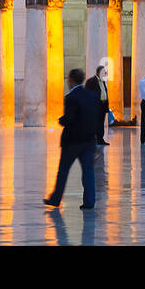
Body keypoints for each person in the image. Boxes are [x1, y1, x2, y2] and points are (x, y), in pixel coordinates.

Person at [44, 69, 100, 209]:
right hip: (89, 141)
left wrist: (60, 120)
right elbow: (96, 119)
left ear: (71, 80)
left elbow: (69, 119)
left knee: (63, 171)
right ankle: (89, 202)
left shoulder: (71, 97)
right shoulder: (92, 96)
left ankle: (56, 199)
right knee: (88, 171)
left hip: (73, 142)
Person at [94, 65, 111, 145]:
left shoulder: (103, 82)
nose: (105, 74)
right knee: (96, 123)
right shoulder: (92, 82)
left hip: (103, 105)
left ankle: (101, 139)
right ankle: (95, 139)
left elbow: (105, 93)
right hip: (96, 106)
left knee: (101, 123)